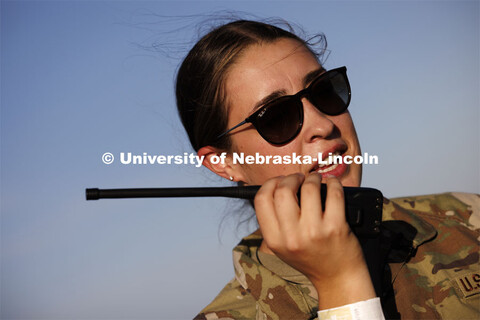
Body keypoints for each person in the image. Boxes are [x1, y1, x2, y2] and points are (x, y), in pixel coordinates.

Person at [175, 20, 480, 320]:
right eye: (276, 117)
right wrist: (340, 283)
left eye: (324, 91)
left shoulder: (469, 218)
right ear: (224, 162)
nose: (323, 124)